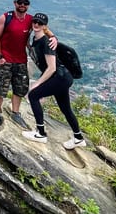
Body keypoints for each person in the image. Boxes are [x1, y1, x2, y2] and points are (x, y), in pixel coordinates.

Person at [0, 0, 55, 129]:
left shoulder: (31, 20)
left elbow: (44, 28)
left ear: (28, 5)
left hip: (21, 60)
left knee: (19, 89)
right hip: (5, 60)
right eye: (20, 2)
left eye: (25, 3)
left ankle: (15, 113)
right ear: (15, 3)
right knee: (0, 87)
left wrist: (53, 37)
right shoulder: (5, 17)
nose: (22, 5)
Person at [22, 12, 86, 149]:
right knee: (65, 108)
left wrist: (37, 83)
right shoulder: (37, 39)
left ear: (45, 26)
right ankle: (78, 138)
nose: (36, 24)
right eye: (35, 22)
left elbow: (51, 68)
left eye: (40, 23)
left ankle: (40, 134)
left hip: (59, 77)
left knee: (33, 95)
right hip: (62, 78)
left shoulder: (46, 42)